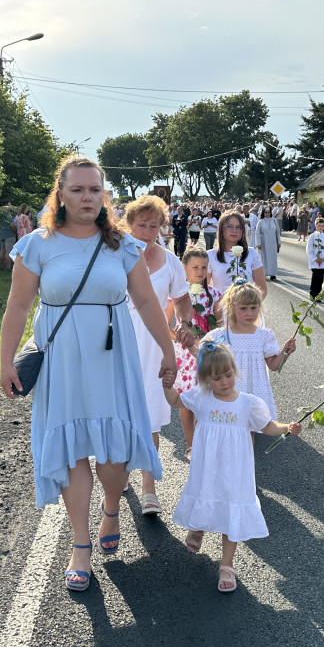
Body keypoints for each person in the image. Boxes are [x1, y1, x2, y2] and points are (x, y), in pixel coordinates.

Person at [0, 156, 177, 592]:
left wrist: (169, 351)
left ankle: (112, 506)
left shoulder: (122, 246)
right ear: (60, 194)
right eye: (77, 190)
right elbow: (18, 306)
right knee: (73, 451)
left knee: (113, 457)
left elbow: (148, 303)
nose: (86, 197)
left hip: (112, 361)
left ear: (105, 196)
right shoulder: (37, 245)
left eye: (94, 190)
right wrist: (5, 361)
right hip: (62, 362)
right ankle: (81, 545)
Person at [164, 343, 301, 592]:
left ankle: (227, 565)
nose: (225, 381)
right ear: (205, 379)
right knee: (206, 496)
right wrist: (167, 384)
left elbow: (267, 426)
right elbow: (175, 401)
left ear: (234, 371)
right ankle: (198, 528)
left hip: (236, 469)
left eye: (228, 375)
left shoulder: (248, 403)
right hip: (207, 466)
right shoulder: (201, 397)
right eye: (217, 378)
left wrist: (286, 429)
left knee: (232, 509)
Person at [124, 194, 194, 516]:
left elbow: (181, 300)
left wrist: (184, 323)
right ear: (129, 225)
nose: (147, 232)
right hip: (120, 344)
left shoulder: (170, 261)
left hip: (155, 346)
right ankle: (120, 474)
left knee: (150, 415)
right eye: (141, 225)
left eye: (154, 226)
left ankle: (149, 487)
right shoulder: (116, 255)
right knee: (121, 414)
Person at [192, 282, 296, 421]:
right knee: (227, 428)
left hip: (254, 392)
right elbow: (202, 356)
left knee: (250, 430)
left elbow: (273, 366)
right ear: (232, 307)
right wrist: (189, 345)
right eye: (243, 308)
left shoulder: (265, 335)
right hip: (227, 390)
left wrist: (285, 351)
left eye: (254, 308)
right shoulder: (220, 335)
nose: (249, 313)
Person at [167, 247, 223, 459]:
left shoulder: (215, 295)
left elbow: (220, 325)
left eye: (203, 268)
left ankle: (203, 443)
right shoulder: (178, 296)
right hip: (185, 355)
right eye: (194, 267)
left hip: (206, 353)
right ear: (184, 269)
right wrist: (180, 338)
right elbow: (165, 323)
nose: (199, 272)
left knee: (207, 400)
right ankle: (191, 444)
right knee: (187, 402)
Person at [208, 210, 267, 297]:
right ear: (221, 229)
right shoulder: (210, 256)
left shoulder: (252, 254)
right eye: (230, 226)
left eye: (238, 227)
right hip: (220, 309)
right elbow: (204, 289)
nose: (234, 230)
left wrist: (249, 307)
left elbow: (262, 289)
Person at [253, 206, 282, 281]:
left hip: (273, 243)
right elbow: (257, 233)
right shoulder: (261, 222)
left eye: (268, 212)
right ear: (263, 213)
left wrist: (278, 242)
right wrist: (258, 243)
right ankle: (264, 274)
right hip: (264, 242)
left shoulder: (274, 221)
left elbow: (278, 232)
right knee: (264, 258)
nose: (267, 214)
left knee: (272, 258)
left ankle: (272, 274)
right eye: (265, 212)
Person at [306, 217, 324, 299]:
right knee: (315, 276)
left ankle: (318, 294)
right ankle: (313, 294)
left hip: (323, 260)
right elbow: (309, 249)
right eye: (319, 225)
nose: (320, 227)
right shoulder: (312, 236)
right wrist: (315, 259)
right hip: (315, 261)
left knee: (321, 277)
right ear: (315, 225)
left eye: (322, 226)